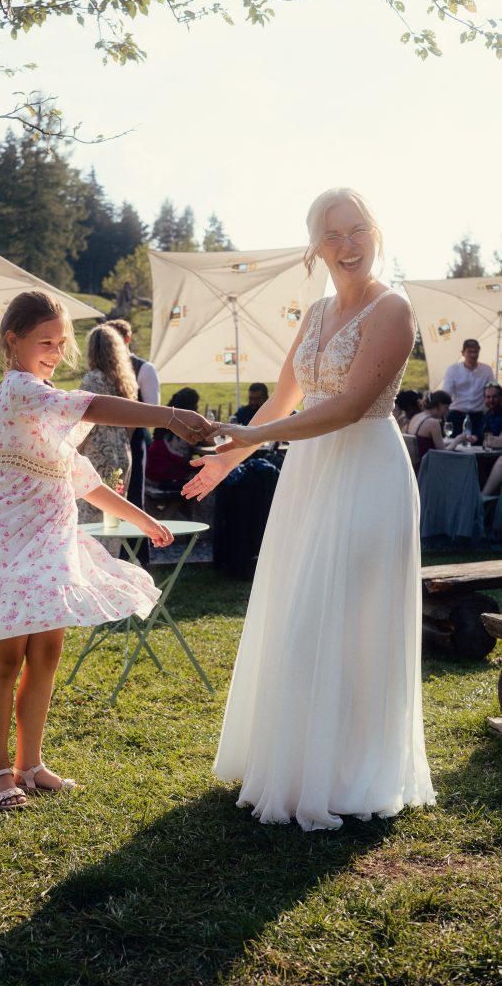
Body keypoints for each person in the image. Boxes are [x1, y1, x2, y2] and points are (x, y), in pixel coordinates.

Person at [0, 291, 213, 811]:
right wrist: (168, 415)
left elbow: (82, 478)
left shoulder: (44, 401)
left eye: (62, 344)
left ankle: (31, 763)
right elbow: (94, 406)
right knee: (7, 656)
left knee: (47, 653)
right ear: (13, 341)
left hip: (52, 546)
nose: (57, 353)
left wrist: (143, 520)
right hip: (13, 543)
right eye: (46, 342)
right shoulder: (20, 389)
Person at [183, 187, 435, 831]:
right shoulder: (318, 310)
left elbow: (348, 407)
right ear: (316, 245)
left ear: (376, 233)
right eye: (333, 234)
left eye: (358, 230)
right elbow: (283, 399)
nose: (348, 245)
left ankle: (351, 772)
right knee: (298, 613)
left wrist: (260, 436)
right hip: (310, 475)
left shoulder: (393, 308)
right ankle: (296, 766)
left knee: (348, 621)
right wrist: (229, 457)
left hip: (368, 472)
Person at [76, 325, 138, 552]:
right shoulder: (123, 380)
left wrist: (76, 450)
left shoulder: (92, 380)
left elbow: (81, 420)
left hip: (97, 449)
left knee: (90, 510)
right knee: (114, 511)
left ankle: (92, 560)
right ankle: (112, 557)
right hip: (121, 449)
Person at [106, 318, 161, 565]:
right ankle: (112, 556)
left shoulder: (144, 369)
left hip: (134, 439)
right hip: (105, 442)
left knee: (134, 497)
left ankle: (139, 558)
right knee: (109, 500)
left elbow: (153, 409)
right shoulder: (102, 370)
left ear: (127, 339)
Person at [146, 387, 203, 487]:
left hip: (152, 472)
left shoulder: (166, 419)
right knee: (206, 477)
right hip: (165, 477)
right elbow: (209, 442)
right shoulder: (185, 427)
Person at [442, 339, 493, 441]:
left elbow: (491, 390)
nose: (473, 355)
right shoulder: (453, 370)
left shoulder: (487, 370)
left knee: (477, 445)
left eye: (476, 352)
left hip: (478, 415)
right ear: (463, 353)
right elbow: (446, 394)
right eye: (470, 351)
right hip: (456, 414)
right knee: (453, 444)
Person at [407, 390, 473, 457]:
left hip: (416, 461)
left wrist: (455, 441)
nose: (447, 412)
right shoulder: (433, 423)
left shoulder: (416, 417)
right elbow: (443, 453)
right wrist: (457, 441)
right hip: (428, 462)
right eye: (446, 408)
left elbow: (425, 443)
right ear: (439, 405)